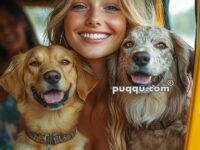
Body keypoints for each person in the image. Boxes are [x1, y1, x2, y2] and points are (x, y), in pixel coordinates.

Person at [47, 0, 156, 149]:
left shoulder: (160, 105)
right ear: (63, 16)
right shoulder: (41, 99)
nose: (94, 19)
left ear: (130, 19)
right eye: (80, 6)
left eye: (111, 7)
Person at [0, 0, 38, 148]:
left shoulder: (48, 65)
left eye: (11, 22)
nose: (6, 31)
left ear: (24, 22)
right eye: (0, 27)